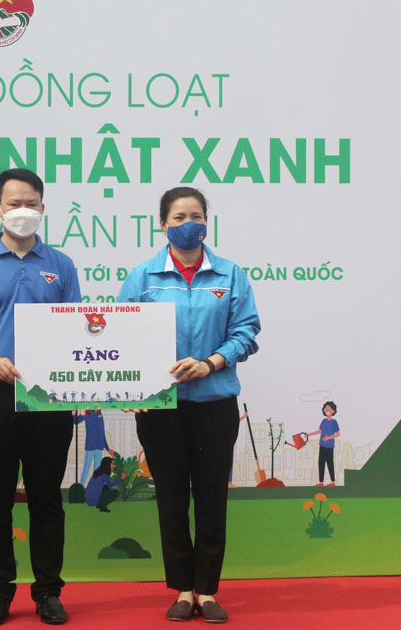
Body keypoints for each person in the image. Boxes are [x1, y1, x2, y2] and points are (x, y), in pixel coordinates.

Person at [118, 187, 260, 624]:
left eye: (196, 215)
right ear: (162, 224)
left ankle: (209, 591)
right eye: (178, 217)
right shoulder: (142, 277)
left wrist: (211, 362)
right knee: (172, 500)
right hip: (161, 410)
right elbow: (121, 340)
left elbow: (247, 331)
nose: (188, 224)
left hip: (215, 404)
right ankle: (182, 591)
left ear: (206, 222)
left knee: (212, 500)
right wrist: (129, 390)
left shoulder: (230, 274)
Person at [0, 168, 81, 626]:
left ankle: (48, 592)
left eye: (31, 203)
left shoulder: (61, 264)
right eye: (13, 203)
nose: (22, 211)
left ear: (43, 208)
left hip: (47, 396)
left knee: (47, 499)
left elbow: (75, 330)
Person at [307, 401, 341, 486]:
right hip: (322, 445)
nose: (327, 410)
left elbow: (338, 434)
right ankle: (321, 482)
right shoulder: (323, 421)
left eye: (329, 409)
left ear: (333, 411)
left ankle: (333, 482)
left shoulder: (334, 422)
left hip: (329, 446)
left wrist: (328, 438)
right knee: (321, 463)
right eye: (326, 409)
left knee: (330, 463)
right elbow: (320, 431)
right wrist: (309, 434)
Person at [75, 409, 111, 487]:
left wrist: (107, 448)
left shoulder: (99, 413)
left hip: (99, 447)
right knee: (86, 470)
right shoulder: (87, 412)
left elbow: (102, 432)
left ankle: (94, 489)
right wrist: (75, 413)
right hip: (90, 447)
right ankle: (81, 488)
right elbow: (75, 421)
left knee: (97, 471)